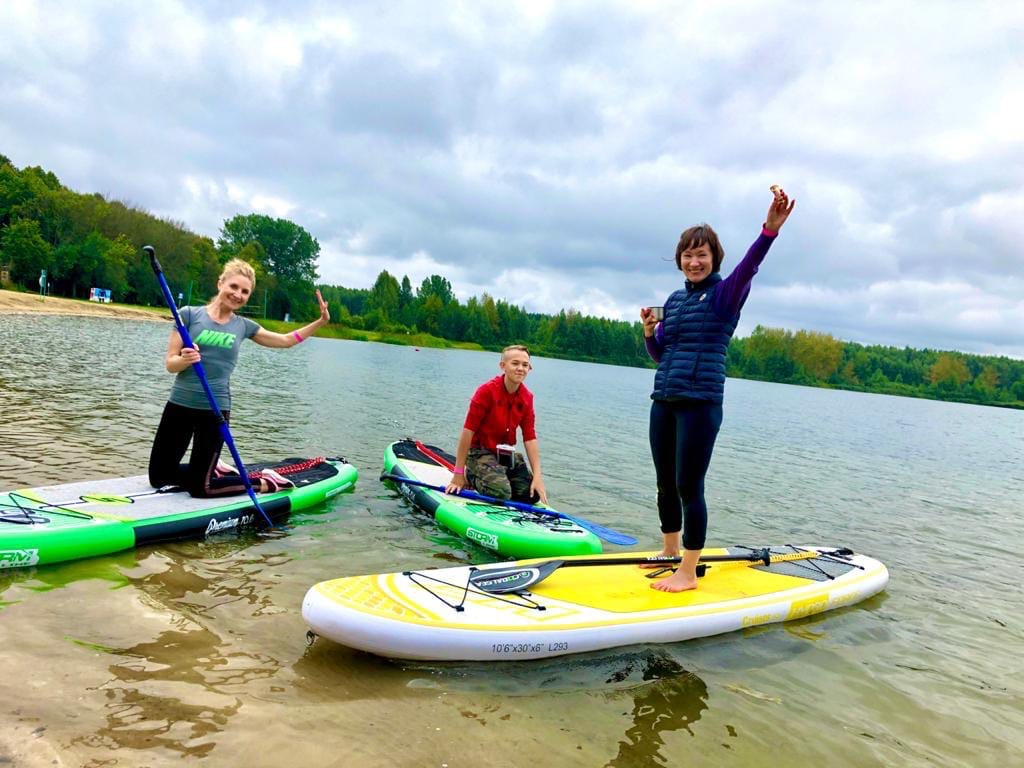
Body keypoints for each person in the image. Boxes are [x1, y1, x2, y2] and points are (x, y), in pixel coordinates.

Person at [640, 187, 795, 592]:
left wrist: (769, 232)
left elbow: (749, 268)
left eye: (701, 255)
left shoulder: (725, 295)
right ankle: (669, 551)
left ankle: (688, 572)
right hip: (665, 400)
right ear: (680, 260)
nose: (694, 261)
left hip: (700, 403)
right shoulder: (673, 301)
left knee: (689, 486)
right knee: (664, 483)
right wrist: (649, 333)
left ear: (713, 259)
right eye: (688, 255)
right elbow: (660, 354)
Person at [148, 258, 329, 497]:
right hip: (179, 405)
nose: (238, 294)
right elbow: (171, 364)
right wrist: (185, 360)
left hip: (214, 412)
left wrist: (320, 322)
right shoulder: (188, 315)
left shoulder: (243, 326)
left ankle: (264, 481)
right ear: (220, 283)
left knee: (201, 489)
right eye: (234, 287)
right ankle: (213, 469)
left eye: (245, 292)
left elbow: (285, 341)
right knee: (159, 477)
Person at [444, 345, 548, 505]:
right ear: (503, 366)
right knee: (501, 493)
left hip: (504, 454)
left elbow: (530, 437)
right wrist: (458, 474)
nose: (520, 368)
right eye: (515, 363)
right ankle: (472, 474)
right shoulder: (486, 392)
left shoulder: (527, 398)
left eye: (525, 365)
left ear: (530, 368)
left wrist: (538, 477)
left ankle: (501, 475)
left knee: (531, 495)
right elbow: (468, 432)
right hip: (479, 453)